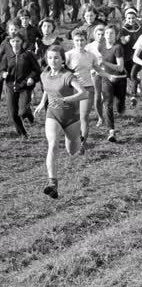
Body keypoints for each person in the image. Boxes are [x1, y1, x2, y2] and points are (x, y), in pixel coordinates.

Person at [34, 45, 89, 199]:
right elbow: (47, 88)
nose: (53, 61)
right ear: (46, 59)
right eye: (50, 57)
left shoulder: (68, 76)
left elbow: (83, 94)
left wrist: (64, 99)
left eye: (56, 57)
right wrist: (41, 103)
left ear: (63, 60)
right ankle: (52, 183)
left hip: (71, 117)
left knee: (72, 151)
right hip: (53, 114)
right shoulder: (44, 74)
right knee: (52, 144)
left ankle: (79, 139)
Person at [65, 29, 100, 153]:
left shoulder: (91, 55)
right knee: (73, 117)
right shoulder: (68, 55)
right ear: (73, 41)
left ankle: (81, 144)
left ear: (86, 41)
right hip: (72, 89)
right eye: (77, 40)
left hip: (87, 89)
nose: (80, 43)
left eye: (82, 40)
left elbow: (97, 68)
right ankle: (71, 140)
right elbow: (61, 71)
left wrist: (109, 76)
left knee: (84, 116)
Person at [0, 33, 39, 139]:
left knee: (22, 112)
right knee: (13, 114)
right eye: (13, 41)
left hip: (24, 87)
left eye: (17, 41)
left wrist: (32, 78)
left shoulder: (28, 55)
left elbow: (36, 70)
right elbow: (1, 69)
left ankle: (27, 111)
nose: (15, 43)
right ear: (9, 42)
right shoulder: (7, 56)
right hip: (10, 87)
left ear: (22, 42)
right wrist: (3, 74)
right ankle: (23, 134)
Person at [98, 24, 127, 142]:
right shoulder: (101, 46)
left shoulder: (118, 47)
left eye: (112, 33)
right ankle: (111, 131)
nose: (109, 35)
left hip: (120, 78)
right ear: (104, 35)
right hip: (107, 78)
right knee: (107, 103)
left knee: (120, 105)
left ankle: (121, 106)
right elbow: (100, 61)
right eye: (107, 33)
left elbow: (120, 67)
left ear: (116, 36)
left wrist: (104, 63)